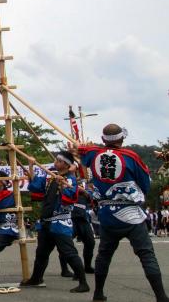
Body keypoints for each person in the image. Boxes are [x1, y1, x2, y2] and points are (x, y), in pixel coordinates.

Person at [75, 124, 169, 302]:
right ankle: (161, 296)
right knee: (146, 254)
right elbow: (145, 184)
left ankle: (98, 293)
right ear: (122, 139)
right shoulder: (130, 156)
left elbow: (82, 153)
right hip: (131, 213)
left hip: (108, 214)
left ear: (103, 139)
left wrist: (80, 147)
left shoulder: (94, 155)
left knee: (104, 255)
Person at [21, 151, 89, 293]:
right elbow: (35, 185)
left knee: (69, 253)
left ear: (65, 164)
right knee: (41, 253)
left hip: (60, 222)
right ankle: (36, 278)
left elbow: (70, 197)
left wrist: (62, 184)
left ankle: (83, 282)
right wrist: (31, 166)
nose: (55, 162)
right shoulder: (50, 176)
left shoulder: (70, 179)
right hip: (46, 222)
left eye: (58, 160)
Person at [58, 177, 95, 278]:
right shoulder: (68, 190)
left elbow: (90, 197)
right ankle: (65, 269)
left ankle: (87, 266)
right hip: (70, 219)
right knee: (66, 246)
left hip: (83, 220)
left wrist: (83, 190)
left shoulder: (85, 192)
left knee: (90, 242)